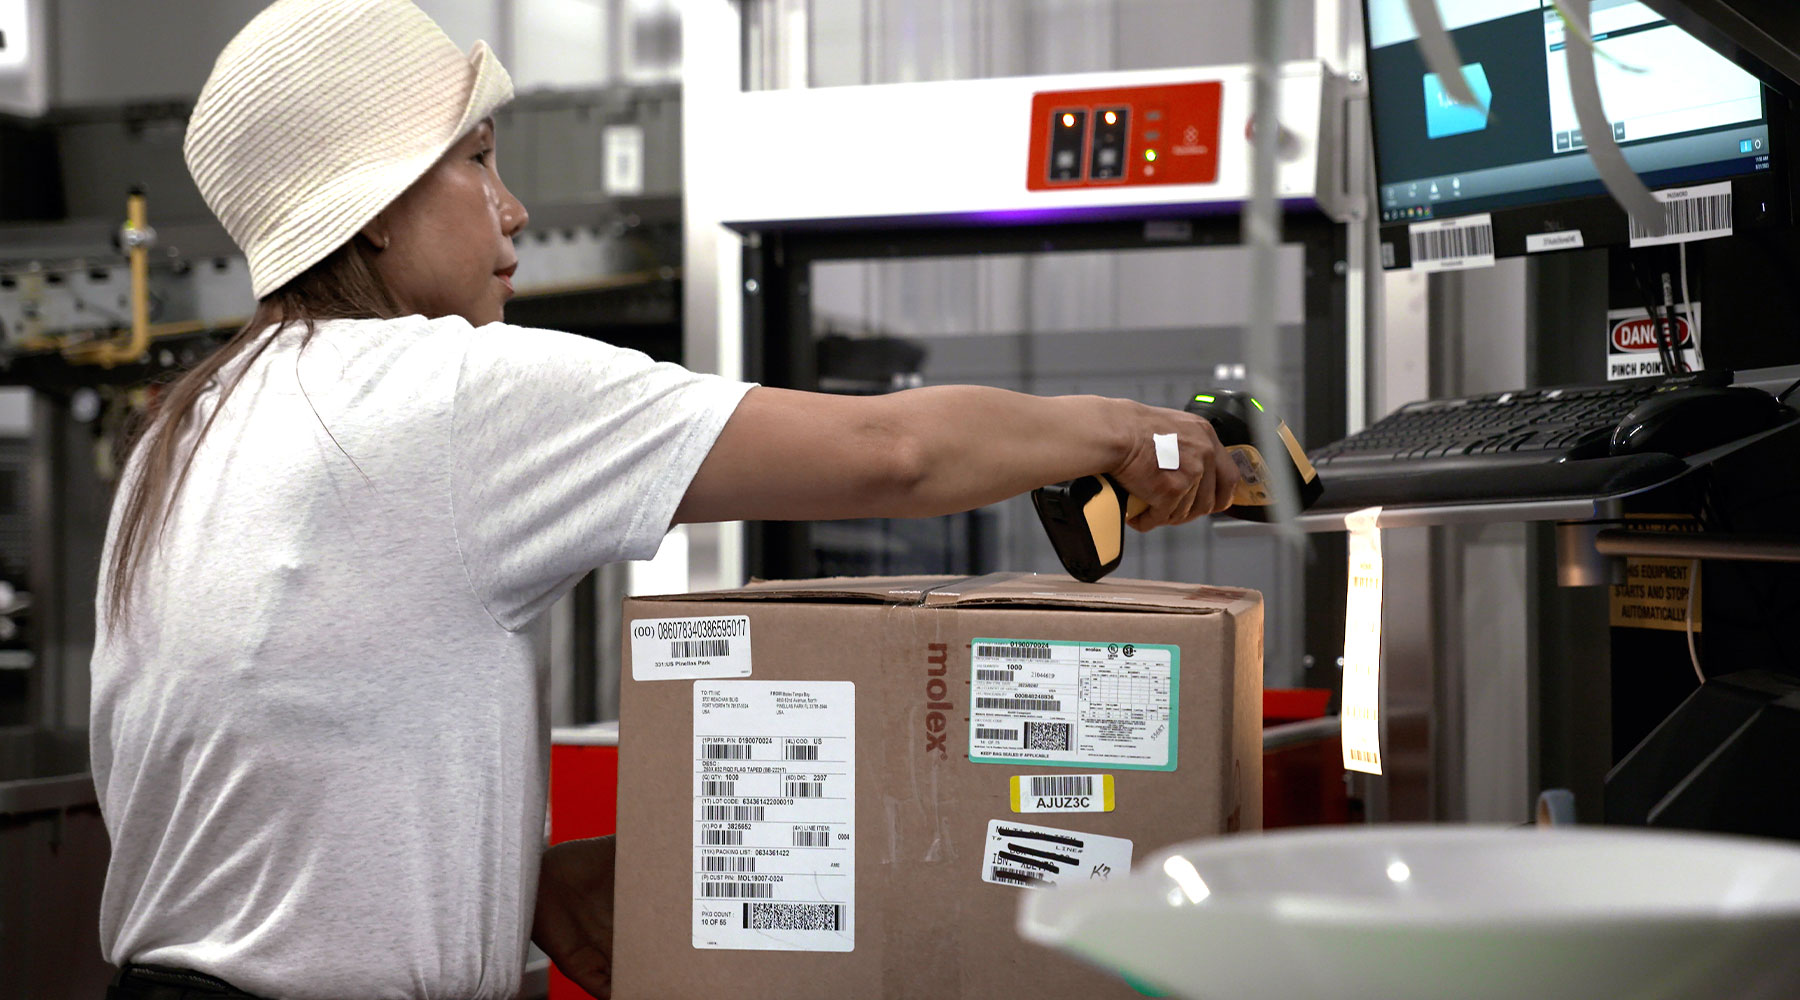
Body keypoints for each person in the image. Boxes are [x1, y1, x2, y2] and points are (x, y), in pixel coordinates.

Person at [88, 2, 1239, 999]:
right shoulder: (440, 391)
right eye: (478, 159)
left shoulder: (189, 427)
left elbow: (281, 743)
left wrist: (507, 880)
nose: (514, 208)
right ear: (377, 209)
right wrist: (1123, 432)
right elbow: (893, 452)